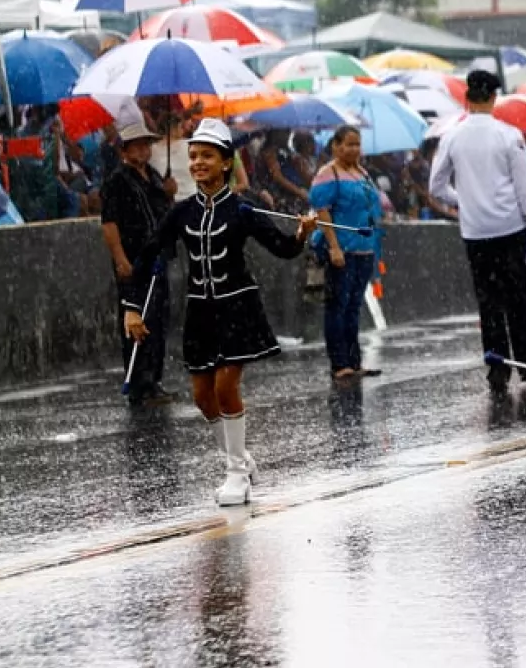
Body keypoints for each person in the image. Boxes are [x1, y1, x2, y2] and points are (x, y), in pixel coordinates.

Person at [124, 119, 317, 506]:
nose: (197, 163)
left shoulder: (244, 209)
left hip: (238, 307)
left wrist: (302, 233)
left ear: (226, 162)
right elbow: (147, 257)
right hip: (200, 313)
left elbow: (282, 249)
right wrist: (132, 307)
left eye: (207, 156)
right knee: (202, 397)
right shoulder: (180, 213)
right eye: (193, 156)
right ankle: (241, 458)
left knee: (225, 388)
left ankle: (236, 474)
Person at [429, 70, 526, 395]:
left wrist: (463, 200)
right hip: (511, 227)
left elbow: (436, 186)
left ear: (467, 98)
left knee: (488, 301)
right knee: (518, 299)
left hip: (475, 232)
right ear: (494, 97)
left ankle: (496, 365)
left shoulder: (452, 137)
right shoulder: (509, 135)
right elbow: (524, 189)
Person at [100, 122, 178, 405]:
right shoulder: (116, 181)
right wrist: (120, 259)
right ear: (125, 149)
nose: (144, 150)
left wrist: (169, 191)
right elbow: (109, 224)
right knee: (136, 319)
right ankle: (138, 383)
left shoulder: (154, 176)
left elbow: (165, 211)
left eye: (147, 144)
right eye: (138, 145)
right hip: (133, 259)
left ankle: (153, 380)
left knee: (158, 318)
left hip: (157, 258)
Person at [310, 125, 385, 382]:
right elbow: (322, 211)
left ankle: (354, 361)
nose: (354, 149)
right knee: (337, 306)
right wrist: (334, 247)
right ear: (336, 146)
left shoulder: (361, 173)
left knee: (353, 307)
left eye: (357, 144)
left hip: (364, 249)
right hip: (342, 249)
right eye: (349, 144)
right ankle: (339, 363)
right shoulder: (328, 174)